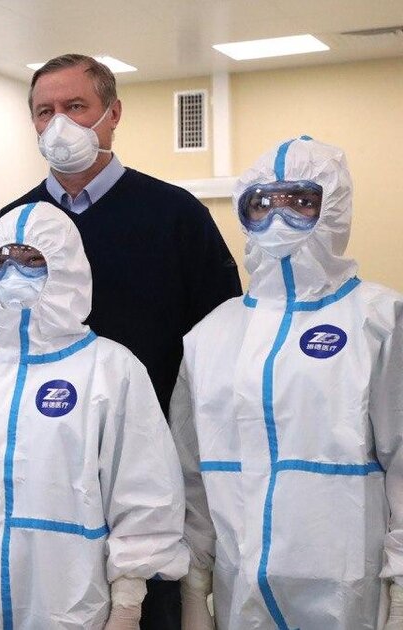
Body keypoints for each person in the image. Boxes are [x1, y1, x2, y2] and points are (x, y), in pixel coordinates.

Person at [0, 54, 241, 627]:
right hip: (40, 472)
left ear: (113, 114)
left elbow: (221, 343)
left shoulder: (175, 216)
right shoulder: (11, 227)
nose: (58, 123)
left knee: (146, 605)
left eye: (75, 106)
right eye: (45, 111)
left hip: (150, 473)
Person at [171, 136, 403, 630]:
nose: (279, 219)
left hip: (349, 592)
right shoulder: (212, 334)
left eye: (300, 201)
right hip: (241, 591)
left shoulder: (380, 320)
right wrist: (194, 583)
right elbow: (191, 471)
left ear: (333, 206)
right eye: (262, 204)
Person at [0, 201, 188, 629]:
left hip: (67, 598)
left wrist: (127, 601)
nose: (15, 273)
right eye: (3, 261)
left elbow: (143, 487)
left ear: (66, 266)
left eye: (32, 260)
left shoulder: (110, 369)